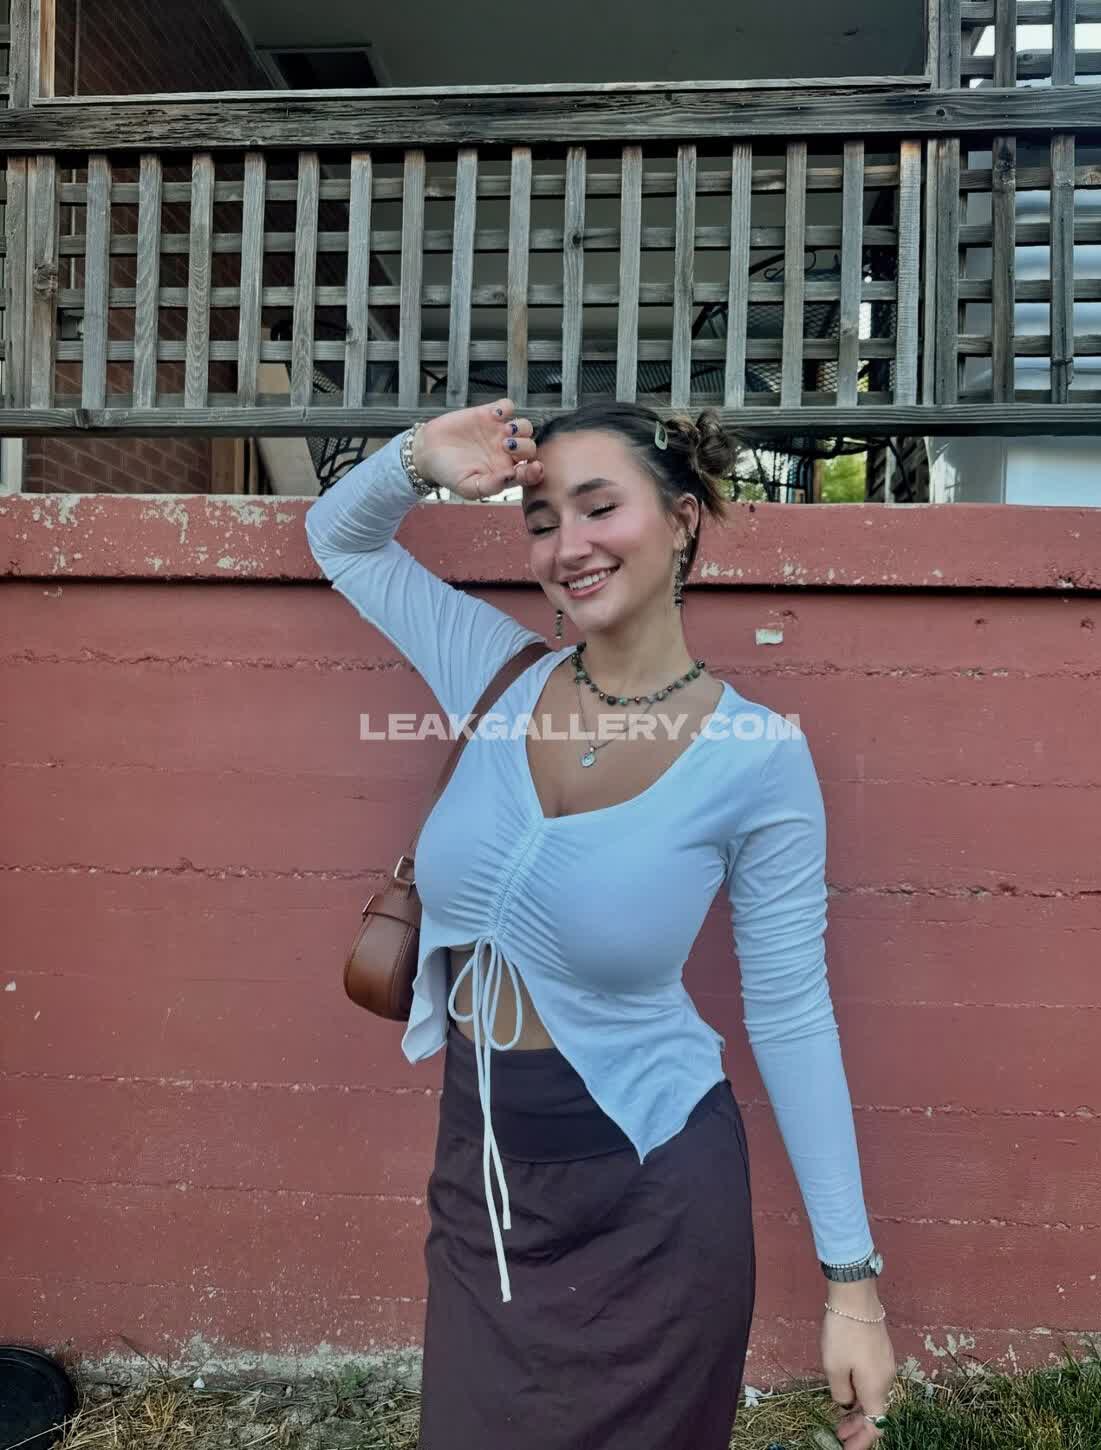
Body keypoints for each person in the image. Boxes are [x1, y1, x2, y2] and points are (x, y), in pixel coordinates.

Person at [304, 397, 896, 1449]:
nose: (567, 545)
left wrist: (852, 1285)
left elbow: (792, 1015)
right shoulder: (493, 671)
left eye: (598, 507)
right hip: (485, 1177)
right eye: (541, 520)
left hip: (657, 1201)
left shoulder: (758, 757)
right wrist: (421, 457)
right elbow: (339, 539)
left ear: (682, 519)